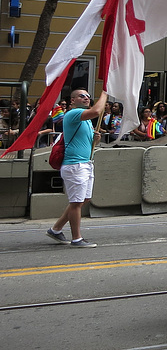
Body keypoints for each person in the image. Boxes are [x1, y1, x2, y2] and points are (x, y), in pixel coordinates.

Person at [46, 89, 107, 248]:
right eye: (82, 96)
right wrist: (105, 93)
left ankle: (56, 229)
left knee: (83, 200)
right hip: (75, 165)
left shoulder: (85, 119)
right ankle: (77, 238)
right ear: (72, 101)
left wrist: (96, 140)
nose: (86, 98)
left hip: (86, 164)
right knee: (76, 202)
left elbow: (87, 143)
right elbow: (97, 110)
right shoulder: (73, 114)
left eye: (87, 96)